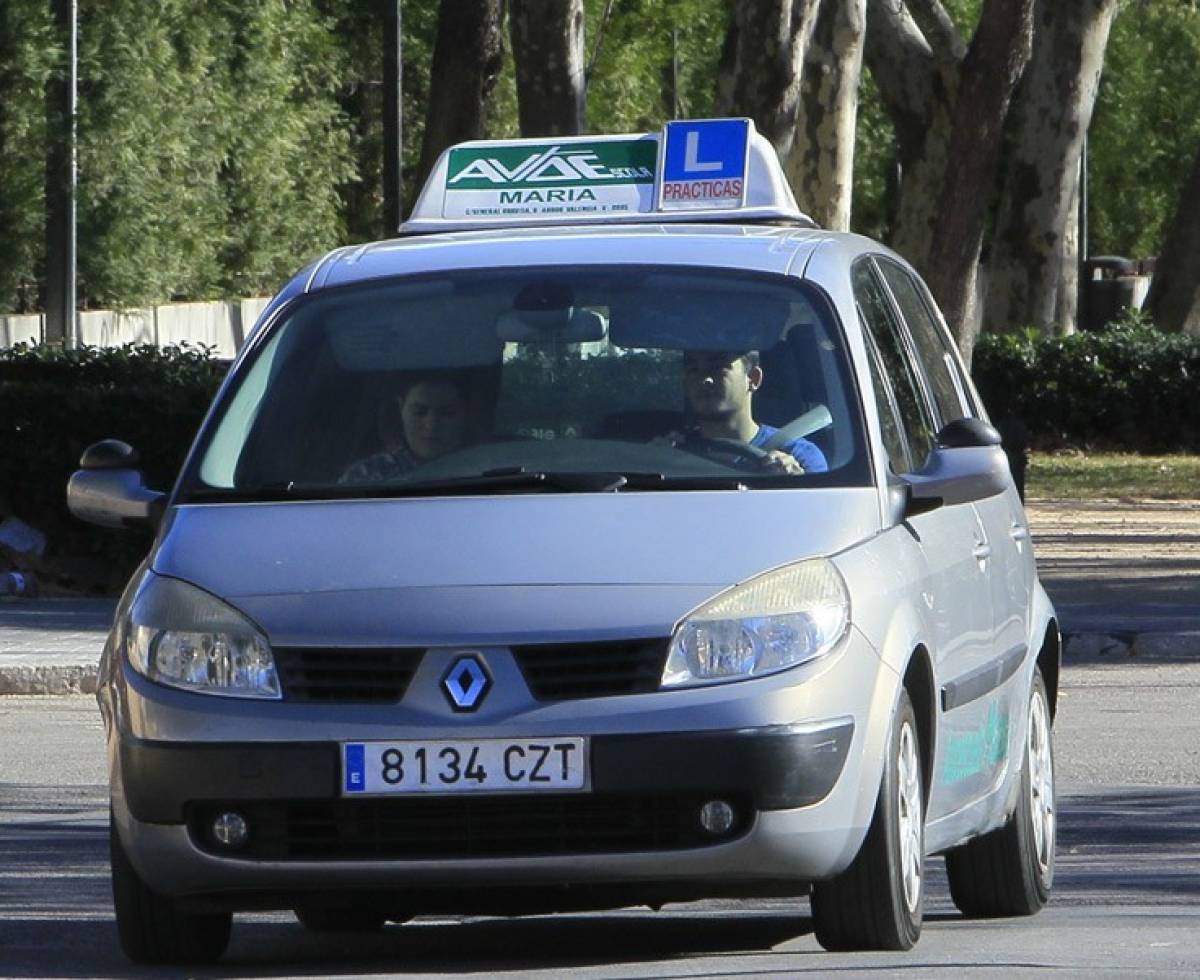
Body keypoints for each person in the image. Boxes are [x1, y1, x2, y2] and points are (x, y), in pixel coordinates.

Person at [678, 349, 828, 474]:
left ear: (753, 378)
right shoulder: (674, 452)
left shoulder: (800, 456)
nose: (705, 379)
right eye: (693, 370)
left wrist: (795, 483)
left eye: (718, 367)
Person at [340, 376, 469, 483]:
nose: (432, 425)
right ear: (401, 409)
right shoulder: (364, 477)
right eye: (419, 412)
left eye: (447, 413)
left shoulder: (484, 468)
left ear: (466, 414)